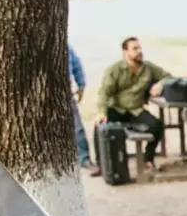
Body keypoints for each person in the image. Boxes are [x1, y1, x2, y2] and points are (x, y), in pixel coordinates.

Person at [95, 37, 171, 174]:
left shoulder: (148, 68)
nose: (139, 51)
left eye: (140, 48)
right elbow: (104, 93)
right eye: (135, 49)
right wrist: (102, 112)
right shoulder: (115, 69)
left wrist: (160, 84)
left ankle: (148, 159)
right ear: (125, 52)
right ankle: (102, 165)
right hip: (117, 109)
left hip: (136, 110)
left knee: (157, 125)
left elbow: (169, 77)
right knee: (100, 126)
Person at [68, 43, 100, 176]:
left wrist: (81, 85)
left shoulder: (63, 44)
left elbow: (76, 63)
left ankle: (84, 159)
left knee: (77, 127)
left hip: (64, 90)